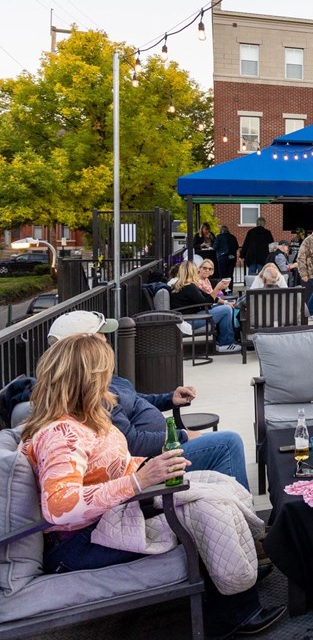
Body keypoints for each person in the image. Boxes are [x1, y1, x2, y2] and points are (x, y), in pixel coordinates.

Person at [20, 334, 284, 638]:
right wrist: (137, 481)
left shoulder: (83, 420)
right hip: (81, 543)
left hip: (109, 520)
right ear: (87, 379)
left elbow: (110, 468)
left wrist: (149, 468)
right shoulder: (60, 434)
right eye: (103, 374)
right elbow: (60, 507)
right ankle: (236, 612)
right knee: (204, 508)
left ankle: (237, 571)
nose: (108, 382)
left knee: (216, 483)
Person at [45, 310, 251, 490]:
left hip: (161, 452)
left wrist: (168, 399)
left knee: (224, 444)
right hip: (152, 462)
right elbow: (132, 443)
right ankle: (251, 527)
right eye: (100, 335)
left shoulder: (100, 378)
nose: (106, 340)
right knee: (228, 444)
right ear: (82, 346)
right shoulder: (91, 393)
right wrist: (183, 436)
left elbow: (133, 399)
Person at [170, 261, 241, 353]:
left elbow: (207, 297)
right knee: (226, 310)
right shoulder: (189, 287)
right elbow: (206, 303)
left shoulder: (181, 285)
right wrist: (217, 288)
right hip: (190, 319)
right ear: (192, 272)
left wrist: (225, 302)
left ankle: (223, 341)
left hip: (190, 316)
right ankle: (225, 344)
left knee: (226, 307)